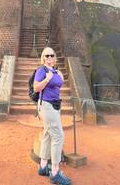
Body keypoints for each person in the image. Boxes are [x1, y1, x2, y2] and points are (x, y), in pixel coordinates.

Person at [33, 47, 71, 185]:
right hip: (46, 105)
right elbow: (36, 87)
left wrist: (57, 76)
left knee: (48, 134)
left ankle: (43, 166)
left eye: (51, 55)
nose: (49, 58)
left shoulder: (57, 71)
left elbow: (58, 85)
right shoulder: (41, 70)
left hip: (55, 105)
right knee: (58, 135)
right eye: (46, 55)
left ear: (55, 58)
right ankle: (54, 172)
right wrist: (47, 80)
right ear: (43, 58)